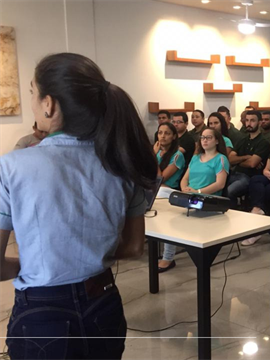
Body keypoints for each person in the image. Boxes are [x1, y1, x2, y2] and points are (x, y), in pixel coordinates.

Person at [0, 52, 157, 359]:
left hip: (43, 314)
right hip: (104, 305)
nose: (33, 101)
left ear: (49, 104)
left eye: (33, 93)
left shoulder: (12, 166)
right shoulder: (120, 161)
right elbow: (135, 246)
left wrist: (41, 262)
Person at [157, 128, 229, 272]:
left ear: (216, 141)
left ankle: (168, 257)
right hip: (190, 194)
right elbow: (185, 178)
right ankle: (168, 256)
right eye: (202, 137)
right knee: (161, 193)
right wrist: (184, 189)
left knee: (174, 217)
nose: (205, 140)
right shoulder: (196, 157)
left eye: (208, 137)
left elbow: (220, 184)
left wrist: (198, 192)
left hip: (208, 197)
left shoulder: (221, 158)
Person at [227, 110, 270, 207]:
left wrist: (237, 161)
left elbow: (252, 163)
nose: (249, 123)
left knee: (229, 191)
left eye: (252, 121)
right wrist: (246, 157)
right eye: (247, 120)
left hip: (249, 177)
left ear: (259, 123)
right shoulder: (242, 140)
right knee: (218, 185)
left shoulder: (263, 142)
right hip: (235, 173)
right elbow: (230, 159)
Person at [156, 123, 186, 189]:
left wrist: (153, 156)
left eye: (167, 133)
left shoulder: (178, 155)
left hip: (168, 190)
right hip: (154, 188)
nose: (163, 136)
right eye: (160, 133)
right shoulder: (157, 152)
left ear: (174, 136)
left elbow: (160, 179)